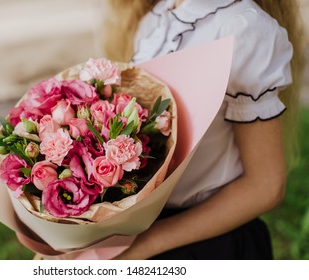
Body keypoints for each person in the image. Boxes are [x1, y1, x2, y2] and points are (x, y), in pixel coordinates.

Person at [103, 0, 305, 259]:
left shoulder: (243, 28)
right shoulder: (156, 18)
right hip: (144, 229)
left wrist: (146, 244)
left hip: (210, 241)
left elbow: (265, 187)